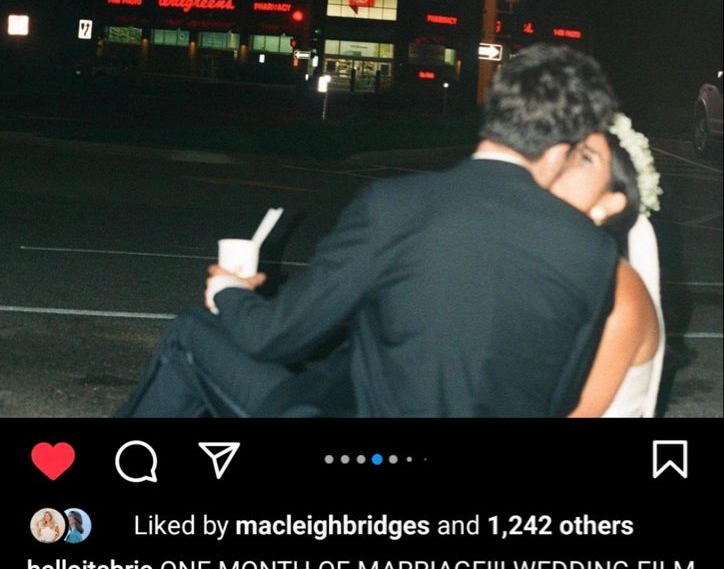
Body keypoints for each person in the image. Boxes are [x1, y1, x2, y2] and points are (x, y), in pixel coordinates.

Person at [118, 43, 622, 419]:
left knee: (191, 333)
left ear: (494, 113)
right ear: (563, 147)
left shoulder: (396, 207)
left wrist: (229, 291)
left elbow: (272, 340)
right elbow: (561, 399)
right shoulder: (593, 252)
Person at [550, 118, 664, 417]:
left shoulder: (617, 295)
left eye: (584, 157)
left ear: (610, 203)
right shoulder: (561, 272)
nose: (559, 162)